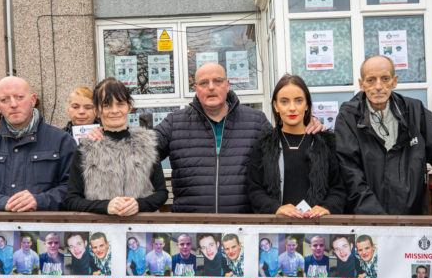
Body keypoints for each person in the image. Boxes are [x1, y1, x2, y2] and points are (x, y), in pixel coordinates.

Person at [88, 63, 323, 213]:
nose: (211, 88)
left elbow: (285, 146)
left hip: (244, 230)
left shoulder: (255, 121)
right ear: (195, 88)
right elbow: (138, 153)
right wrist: (106, 134)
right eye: (203, 83)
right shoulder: (175, 123)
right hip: (190, 230)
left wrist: (308, 124)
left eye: (217, 81)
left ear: (228, 85)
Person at [335, 55, 432, 231]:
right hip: (366, 224)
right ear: (361, 84)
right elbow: (349, 172)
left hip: (412, 222)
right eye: (371, 80)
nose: (378, 86)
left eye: (385, 79)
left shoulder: (414, 110)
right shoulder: (348, 116)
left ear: (394, 81)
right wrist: (378, 219)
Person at [0, 76, 76, 211]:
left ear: (33, 100)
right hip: (0, 229)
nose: (13, 104)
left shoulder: (62, 141)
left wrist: (39, 201)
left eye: (20, 97)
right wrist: (3, 203)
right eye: (4, 100)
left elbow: (73, 189)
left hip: (46, 229)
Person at [62, 78, 168, 215]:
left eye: (120, 104)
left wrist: (139, 205)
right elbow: (72, 200)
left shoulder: (147, 144)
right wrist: (106, 206)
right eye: (106, 105)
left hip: (141, 230)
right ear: (97, 110)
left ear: (129, 107)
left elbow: (162, 193)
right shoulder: (86, 148)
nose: (114, 110)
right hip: (101, 232)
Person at [247, 74, 346, 218]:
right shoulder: (264, 144)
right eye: (284, 102)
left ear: (307, 105)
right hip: (277, 230)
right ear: (276, 106)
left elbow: (339, 188)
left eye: (298, 101)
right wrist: (276, 208)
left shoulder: (326, 143)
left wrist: (327, 207)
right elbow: (254, 189)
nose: (292, 108)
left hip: (318, 229)